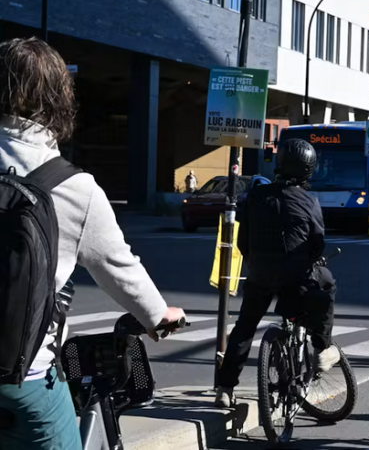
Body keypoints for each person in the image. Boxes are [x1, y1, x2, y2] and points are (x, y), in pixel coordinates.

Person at [0, 37, 186, 449]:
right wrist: (158, 315)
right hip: (23, 377)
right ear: (57, 99)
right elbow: (118, 266)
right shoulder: (73, 187)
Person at [215, 137, 338, 407]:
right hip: (296, 277)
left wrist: (255, 262)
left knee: (244, 328)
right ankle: (322, 349)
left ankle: (225, 388)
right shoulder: (309, 201)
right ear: (308, 170)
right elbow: (317, 244)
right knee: (327, 284)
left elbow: (243, 240)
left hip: (260, 274)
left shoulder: (255, 197)